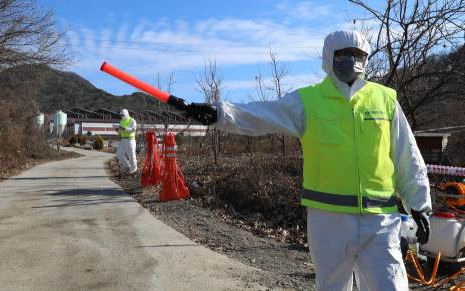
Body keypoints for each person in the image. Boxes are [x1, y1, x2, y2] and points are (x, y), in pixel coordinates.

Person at [171, 30, 431, 290]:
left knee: (391, 286)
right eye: (344, 54)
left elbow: (406, 154)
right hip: (329, 221)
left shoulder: (385, 100)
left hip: (380, 220)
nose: (352, 60)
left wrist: (419, 204)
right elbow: (262, 114)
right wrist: (219, 113)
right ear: (329, 57)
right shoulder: (308, 101)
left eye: (359, 54)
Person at [117, 109, 137, 174]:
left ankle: (134, 168)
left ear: (126, 114)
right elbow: (120, 132)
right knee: (119, 154)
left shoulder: (132, 120)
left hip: (130, 140)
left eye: (123, 115)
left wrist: (125, 128)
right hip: (122, 140)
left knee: (131, 155)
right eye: (121, 115)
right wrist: (117, 130)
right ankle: (126, 166)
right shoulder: (121, 121)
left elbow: (133, 129)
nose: (122, 116)